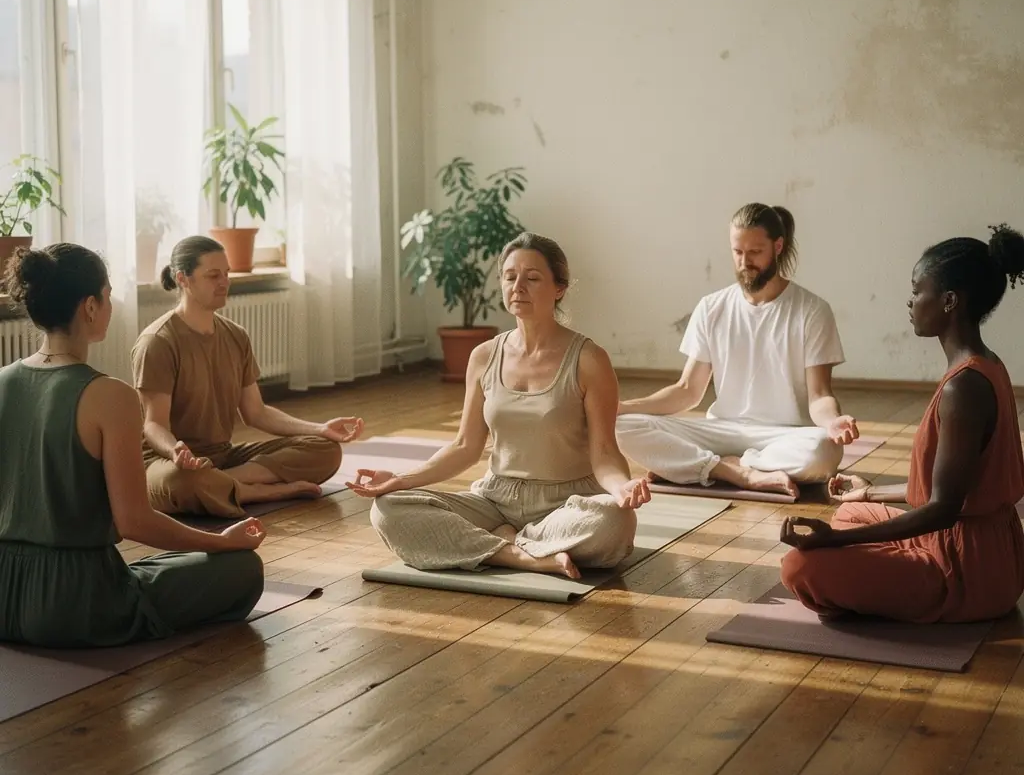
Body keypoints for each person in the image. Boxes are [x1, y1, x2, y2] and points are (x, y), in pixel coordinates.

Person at [0, 244, 266, 648]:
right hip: (75, 604)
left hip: (3, 594)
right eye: (108, 295)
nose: (110, 304)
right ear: (90, 306)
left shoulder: (1, 381)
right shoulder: (109, 395)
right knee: (243, 567)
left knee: (161, 565)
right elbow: (135, 523)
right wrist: (221, 541)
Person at [350, 233, 648, 580]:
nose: (518, 286)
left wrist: (620, 488)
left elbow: (604, 452)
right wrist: (400, 480)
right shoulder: (484, 356)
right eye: (510, 276)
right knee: (387, 509)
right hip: (494, 499)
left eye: (533, 278)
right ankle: (522, 556)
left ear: (560, 288)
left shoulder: (589, 360)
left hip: (566, 504)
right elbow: (465, 446)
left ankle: (498, 543)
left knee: (615, 522)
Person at [781, 225, 1024, 623]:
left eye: (917, 290)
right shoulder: (987, 363)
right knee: (850, 511)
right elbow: (954, 487)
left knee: (799, 567)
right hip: (992, 547)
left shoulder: (962, 388)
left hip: (967, 571)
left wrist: (841, 542)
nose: (910, 302)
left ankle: (910, 588)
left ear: (949, 301)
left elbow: (944, 509)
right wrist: (872, 493)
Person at [615, 203, 858, 498]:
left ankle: (707, 465)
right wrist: (621, 408)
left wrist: (833, 422)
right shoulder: (711, 307)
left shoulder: (812, 310)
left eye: (755, 252)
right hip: (720, 431)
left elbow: (819, 395)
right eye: (737, 252)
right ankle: (731, 471)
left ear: (777, 246)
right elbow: (688, 390)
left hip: (783, 436)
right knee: (622, 427)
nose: (745, 262)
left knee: (824, 450)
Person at [131, 235, 357, 518]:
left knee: (326, 450)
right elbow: (153, 425)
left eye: (226, 273)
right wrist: (176, 451)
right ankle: (257, 490)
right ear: (183, 279)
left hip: (222, 459)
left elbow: (256, 412)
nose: (224, 282)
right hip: (167, 463)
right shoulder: (158, 341)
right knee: (180, 482)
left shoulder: (236, 336)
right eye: (213, 275)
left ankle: (226, 485)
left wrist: (319, 429)